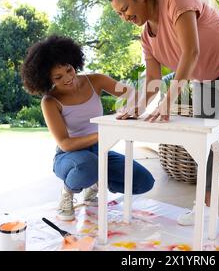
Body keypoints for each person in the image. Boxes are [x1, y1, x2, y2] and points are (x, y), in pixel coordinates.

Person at [103, 0, 219, 249]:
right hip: (205, 76)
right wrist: (136, 108)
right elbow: (154, 79)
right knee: (202, 141)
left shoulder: (176, 2)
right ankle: (203, 207)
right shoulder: (146, 36)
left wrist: (168, 103)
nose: (125, 17)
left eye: (126, 9)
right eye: (119, 14)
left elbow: (191, 52)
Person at [20, 35, 155, 221]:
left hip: (99, 151)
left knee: (143, 181)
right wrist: (104, 133)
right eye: (58, 77)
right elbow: (65, 143)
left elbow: (133, 94)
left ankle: (93, 185)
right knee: (89, 165)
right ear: (46, 79)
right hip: (69, 157)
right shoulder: (50, 101)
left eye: (69, 70)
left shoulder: (95, 80)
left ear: (74, 63)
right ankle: (68, 193)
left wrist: (129, 108)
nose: (68, 78)